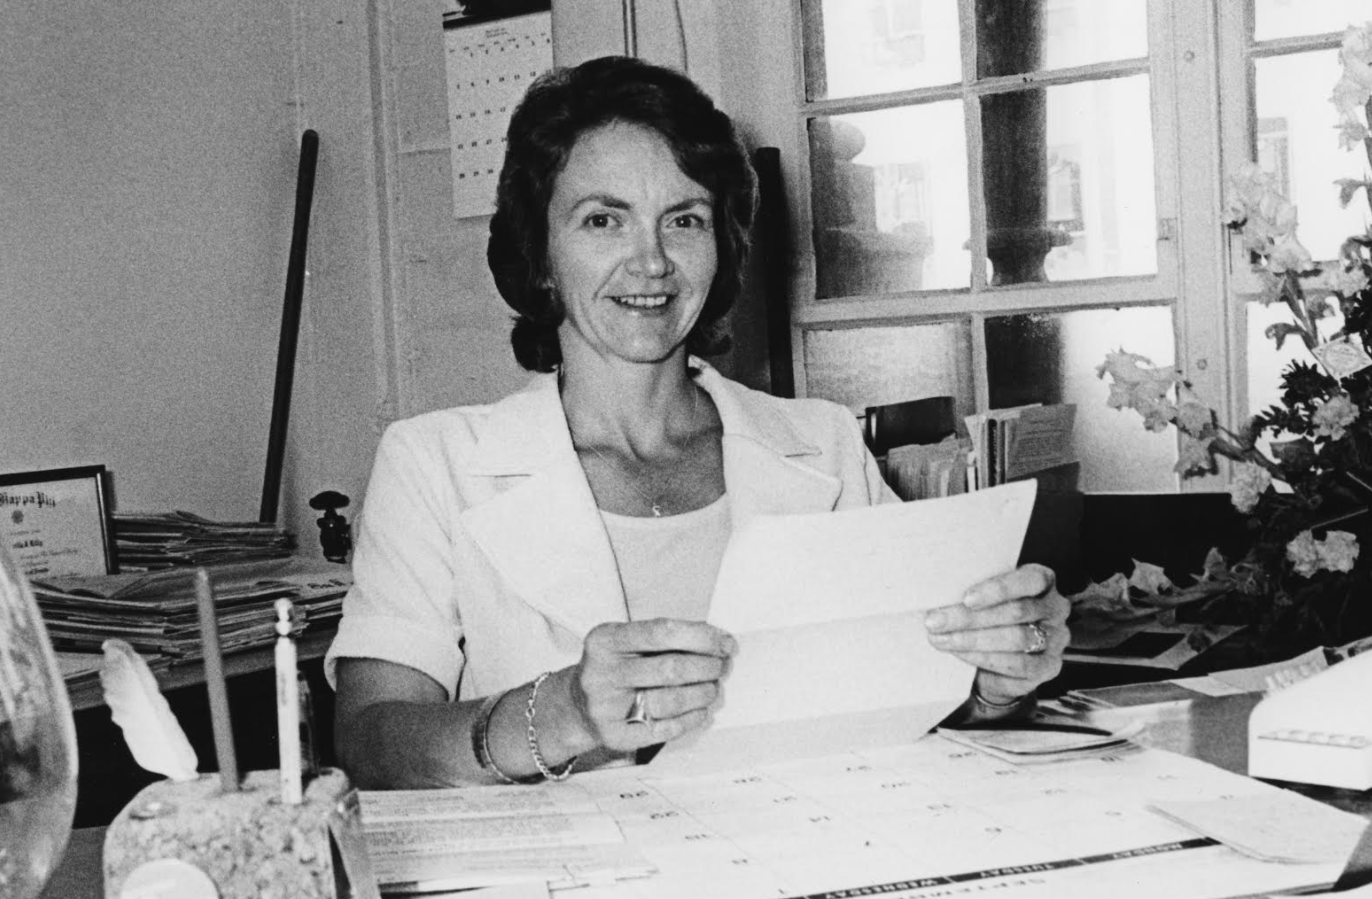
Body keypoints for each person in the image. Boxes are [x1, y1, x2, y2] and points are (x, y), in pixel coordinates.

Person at [327, 55, 1071, 789]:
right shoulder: (435, 463)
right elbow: (370, 741)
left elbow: (898, 699)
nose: (650, 261)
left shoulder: (825, 443)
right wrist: (559, 714)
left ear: (722, 246)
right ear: (541, 254)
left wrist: (990, 681)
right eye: (602, 220)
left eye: (683, 220)